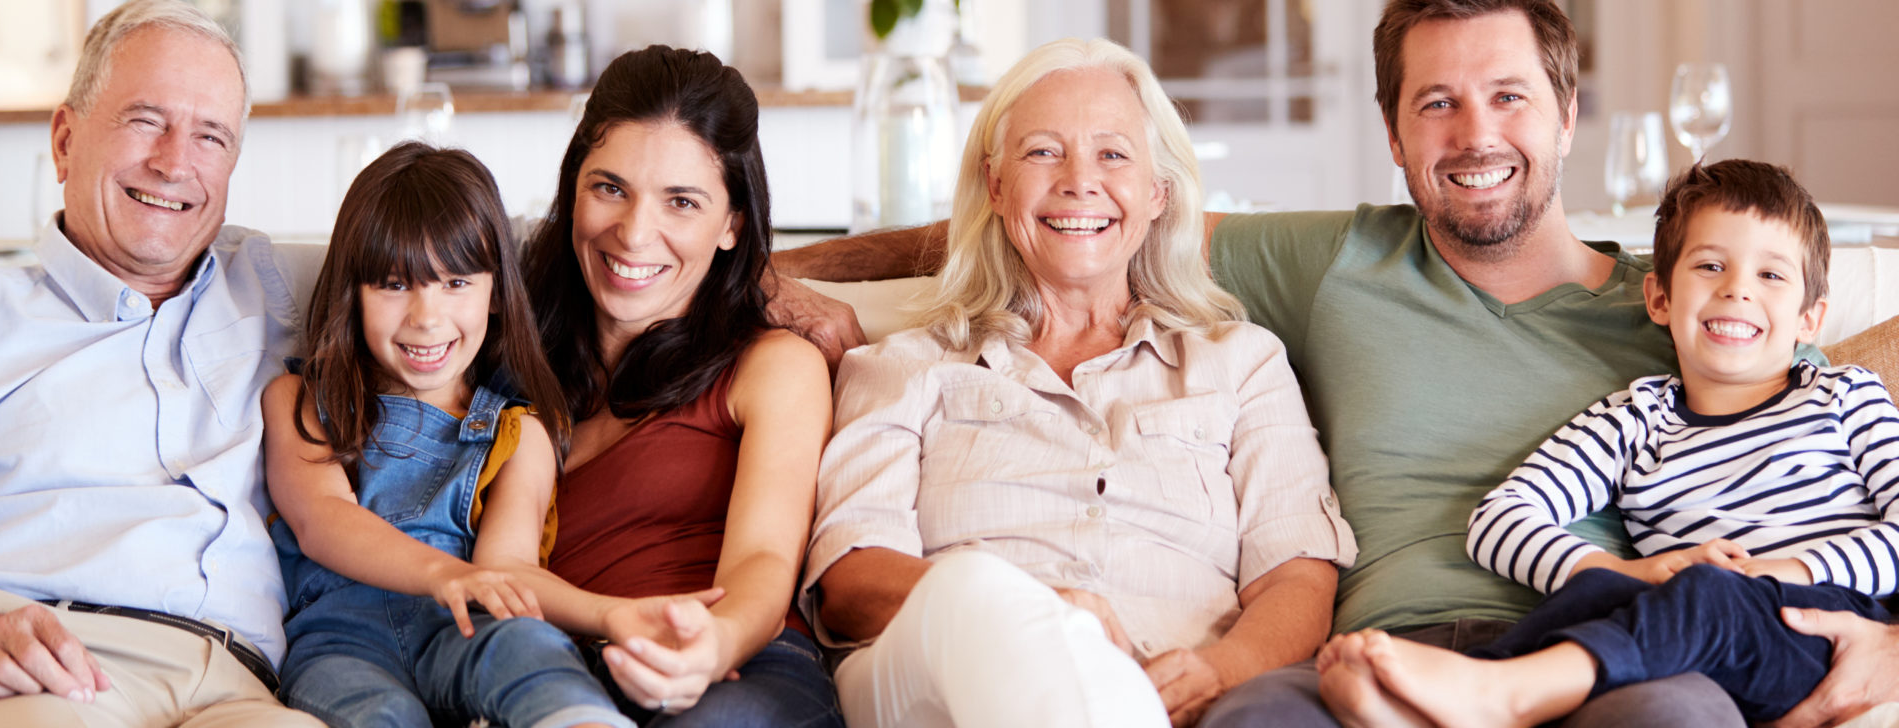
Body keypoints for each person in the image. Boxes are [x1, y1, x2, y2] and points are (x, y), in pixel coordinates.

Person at [764, 0, 1891, 724]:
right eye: (1435, 103)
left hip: (1598, 647)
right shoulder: (1334, 258)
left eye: (1508, 96)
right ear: (1394, 134)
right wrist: (768, 278)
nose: (1474, 133)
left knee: (1674, 718)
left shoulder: (1685, 305)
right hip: (1375, 646)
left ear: (1566, 113)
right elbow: (1079, 224)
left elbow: (1829, 419)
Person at [801, 38, 1357, 728]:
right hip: (937, 679)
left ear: (1158, 194)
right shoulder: (904, 364)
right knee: (974, 589)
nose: (1078, 181)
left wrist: (1224, 669)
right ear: (997, 186)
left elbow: (1296, 575)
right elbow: (852, 582)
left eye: (1113, 154)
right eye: (1042, 152)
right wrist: (1033, 610)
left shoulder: (1243, 363)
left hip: (1166, 690)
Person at [1319, 159, 1899, 726]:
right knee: (1594, 589)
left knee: (1712, 595)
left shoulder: (1845, 395)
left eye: (1771, 275)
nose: (1737, 291)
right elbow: (1499, 519)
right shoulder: (1636, 418)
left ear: (1810, 319)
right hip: (1678, 653)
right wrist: (1628, 573)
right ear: (1659, 299)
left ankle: (1505, 696)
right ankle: (1451, 697)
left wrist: (1787, 571)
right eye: (1710, 266)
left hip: (1818, 630)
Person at [0, 1, 323, 724]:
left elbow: (480, 260)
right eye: (145, 120)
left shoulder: (284, 285)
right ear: (66, 140)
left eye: (210, 136)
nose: (174, 163)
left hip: (243, 687)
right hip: (53, 669)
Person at [521, 46, 843, 725]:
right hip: (550, 678)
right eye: (610, 188)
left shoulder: (772, 365)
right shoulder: (503, 348)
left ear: (732, 224)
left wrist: (711, 644)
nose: (635, 233)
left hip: (737, 670)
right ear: (572, 187)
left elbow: (761, 557)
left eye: (682, 202)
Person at [263, 142, 629, 728]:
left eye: (456, 283)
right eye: (392, 284)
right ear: (351, 293)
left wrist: (614, 618)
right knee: (379, 713)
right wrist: (443, 573)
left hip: (464, 629)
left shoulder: (518, 431)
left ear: (495, 292)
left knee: (529, 651)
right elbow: (322, 519)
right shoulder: (302, 403)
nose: (426, 316)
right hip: (340, 642)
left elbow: (508, 567)